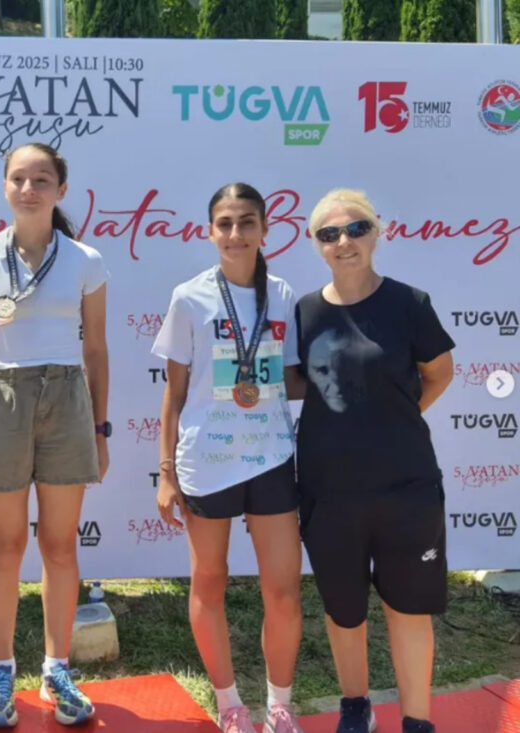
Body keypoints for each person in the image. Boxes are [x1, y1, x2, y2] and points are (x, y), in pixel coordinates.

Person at [0, 142, 110, 728]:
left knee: (61, 547)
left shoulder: (86, 259)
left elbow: (96, 349)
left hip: (67, 397)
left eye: (41, 179)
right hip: (4, 396)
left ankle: (56, 668)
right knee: (6, 545)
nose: (29, 188)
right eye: (18, 178)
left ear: (60, 190)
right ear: (4, 187)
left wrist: (101, 428)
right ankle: (1, 671)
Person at [293, 190, 454, 733]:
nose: (344, 241)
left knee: (408, 609)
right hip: (328, 491)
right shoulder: (304, 312)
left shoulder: (410, 303)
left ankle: (416, 721)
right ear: (316, 244)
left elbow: (439, 373)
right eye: (329, 234)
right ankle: (355, 707)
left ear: (376, 233)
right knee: (344, 610)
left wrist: (393, 416)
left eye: (356, 228)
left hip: (406, 488)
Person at [153, 183, 305, 733]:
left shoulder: (284, 296)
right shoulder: (189, 297)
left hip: (270, 457)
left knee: (283, 591)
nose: (236, 233)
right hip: (208, 461)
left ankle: (280, 706)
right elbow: (174, 393)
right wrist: (166, 472)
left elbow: (293, 379)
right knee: (209, 583)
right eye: (225, 223)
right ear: (209, 231)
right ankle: (230, 705)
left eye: (246, 222)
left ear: (266, 230)